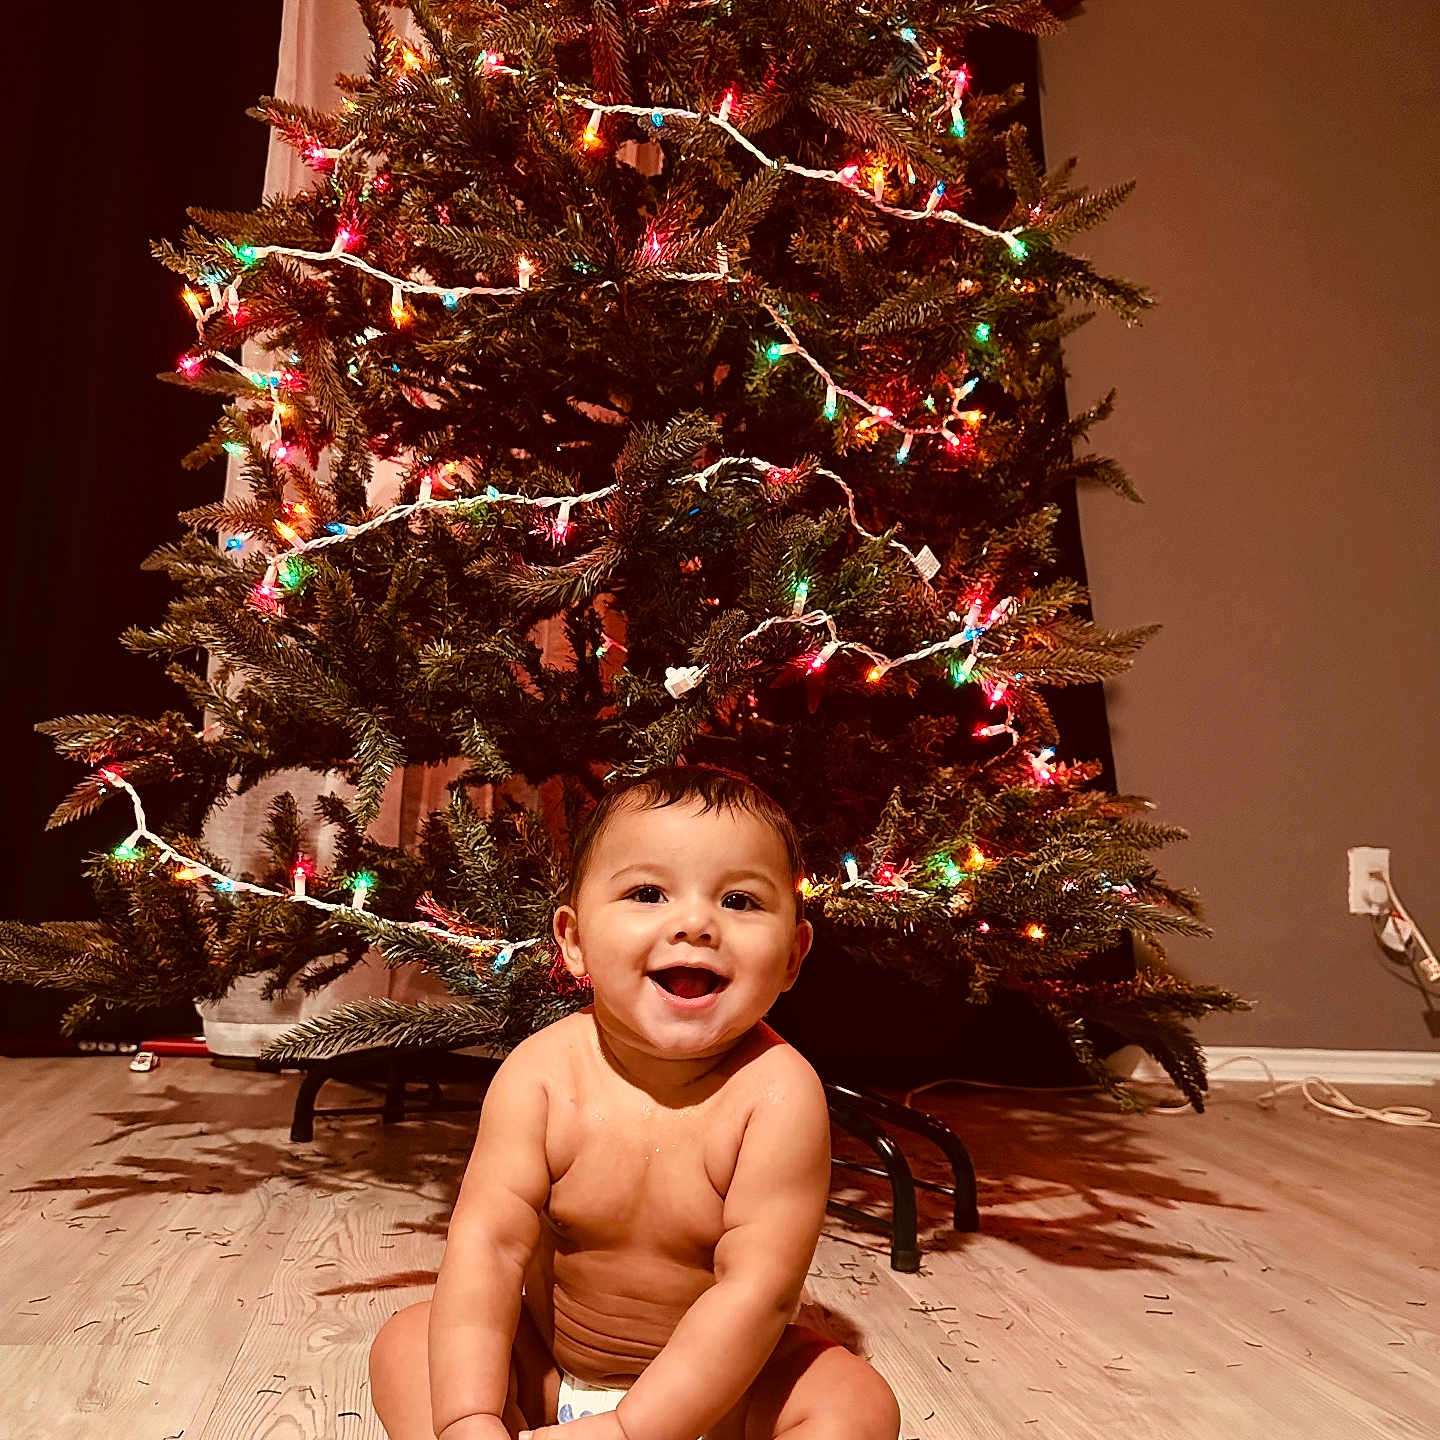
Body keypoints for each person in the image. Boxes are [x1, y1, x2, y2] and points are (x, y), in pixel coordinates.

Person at [368, 764, 902, 1440]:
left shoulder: (777, 1096)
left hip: (718, 1402)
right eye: (648, 892)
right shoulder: (540, 1077)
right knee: (408, 1344)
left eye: (739, 901)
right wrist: (470, 1415)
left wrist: (632, 1429)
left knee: (854, 1403)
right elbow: (489, 1248)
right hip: (548, 1376)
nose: (695, 924)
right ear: (574, 939)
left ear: (794, 955)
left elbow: (757, 1293)